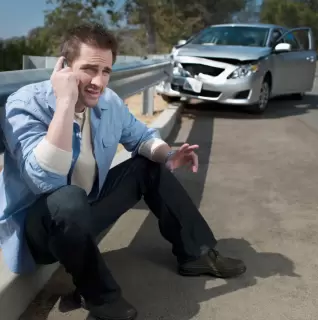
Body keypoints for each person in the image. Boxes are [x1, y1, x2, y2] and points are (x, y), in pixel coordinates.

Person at [0, 23, 246, 320]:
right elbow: (45, 179)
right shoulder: (26, 104)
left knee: (147, 166)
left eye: (106, 72)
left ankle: (196, 253)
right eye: (89, 69)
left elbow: (141, 138)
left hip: (85, 211)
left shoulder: (108, 102)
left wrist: (167, 154)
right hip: (40, 231)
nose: (98, 82)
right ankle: (101, 298)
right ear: (63, 67)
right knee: (67, 198)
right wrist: (65, 102)